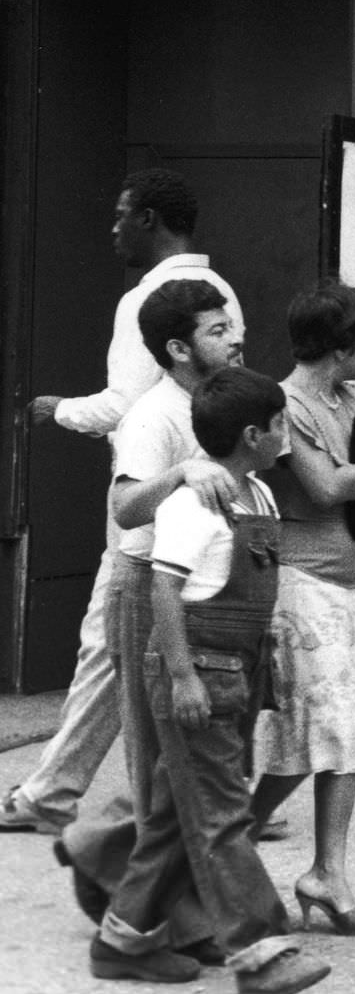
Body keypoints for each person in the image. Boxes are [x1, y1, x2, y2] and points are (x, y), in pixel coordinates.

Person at [1, 169, 243, 834]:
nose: (112, 229)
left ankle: (61, 796)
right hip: (208, 494)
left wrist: (57, 410)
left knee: (112, 644)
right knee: (149, 648)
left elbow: (124, 405)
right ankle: (65, 789)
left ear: (150, 220)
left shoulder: (149, 300)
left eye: (120, 215)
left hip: (151, 495)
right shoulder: (220, 295)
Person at [90, 367, 331, 994]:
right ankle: (261, 954)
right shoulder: (196, 502)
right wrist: (180, 677)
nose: (287, 431)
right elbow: (165, 588)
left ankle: (123, 939)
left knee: (175, 816)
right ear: (255, 434)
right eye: (281, 423)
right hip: (199, 674)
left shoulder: (259, 495)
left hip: (237, 674)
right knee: (225, 815)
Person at [57, 279, 244, 948]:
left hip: (207, 588)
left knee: (191, 766)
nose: (235, 336)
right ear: (178, 346)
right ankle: (155, 913)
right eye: (218, 330)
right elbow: (127, 507)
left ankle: (108, 854)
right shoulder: (153, 414)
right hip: (147, 583)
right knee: (157, 758)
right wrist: (183, 474)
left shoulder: (222, 403)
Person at [250, 280, 355, 936]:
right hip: (306, 581)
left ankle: (328, 872)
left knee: (350, 732)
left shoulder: (350, 397)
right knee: (312, 726)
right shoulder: (287, 405)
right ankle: (234, 831)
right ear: (338, 346)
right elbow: (321, 488)